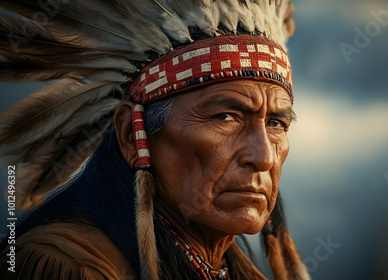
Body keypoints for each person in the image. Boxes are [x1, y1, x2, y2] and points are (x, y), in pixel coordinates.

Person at [0, 0, 310, 279]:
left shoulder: (227, 269)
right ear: (132, 136)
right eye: (225, 117)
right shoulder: (68, 266)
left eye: (276, 123)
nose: (264, 157)